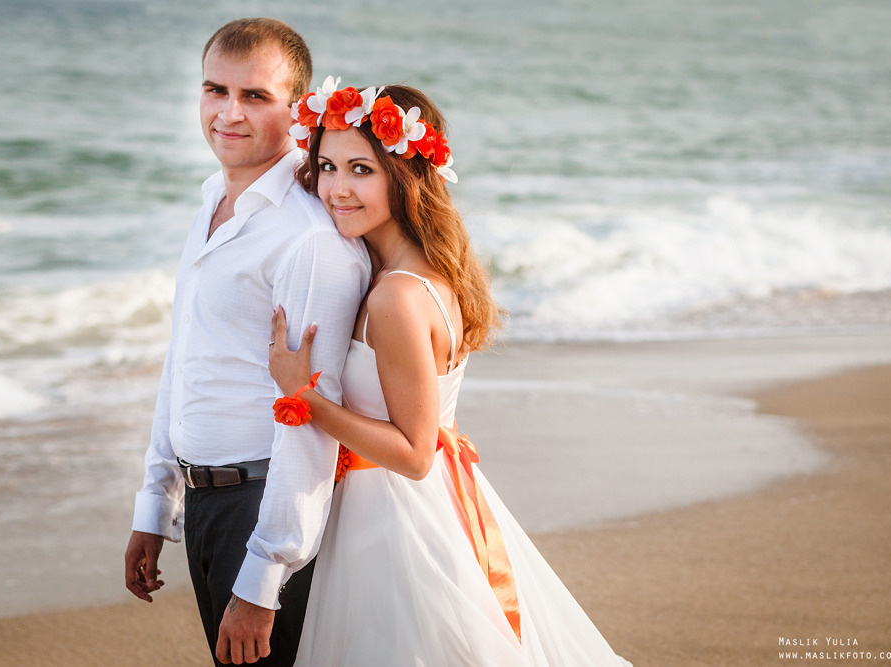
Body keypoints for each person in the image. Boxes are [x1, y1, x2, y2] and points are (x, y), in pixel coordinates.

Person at [266, 79, 632, 665]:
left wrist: (301, 395)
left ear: (403, 175)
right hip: (430, 507)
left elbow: (413, 454)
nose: (336, 189)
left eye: (361, 169)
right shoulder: (430, 272)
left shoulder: (395, 298)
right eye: (327, 167)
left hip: (396, 522)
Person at [122, 20, 370, 666]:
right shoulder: (212, 204)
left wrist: (265, 577)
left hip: (263, 512)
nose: (228, 113)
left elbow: (310, 414)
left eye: (255, 96)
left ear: (299, 108)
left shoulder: (308, 236)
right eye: (215, 90)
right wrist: (156, 501)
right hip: (205, 503)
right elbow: (186, 358)